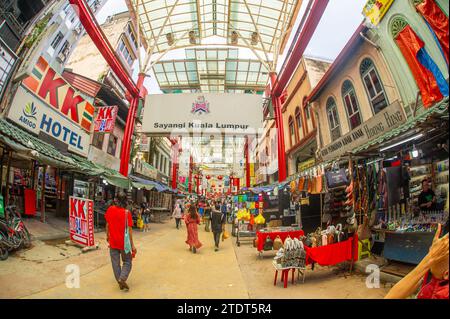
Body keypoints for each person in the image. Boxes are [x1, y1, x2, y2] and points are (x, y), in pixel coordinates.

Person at [385, 223, 449, 299]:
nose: (433, 250)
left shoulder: (444, 294)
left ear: (447, 274)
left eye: (439, 253)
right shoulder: (429, 275)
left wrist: (429, 258)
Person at [105, 192, 137, 291]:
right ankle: (122, 278)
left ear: (116, 199)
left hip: (113, 242)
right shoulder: (127, 213)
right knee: (127, 261)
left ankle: (120, 280)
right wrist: (132, 245)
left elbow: (107, 225)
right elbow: (130, 230)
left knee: (115, 263)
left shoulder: (110, 209)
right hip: (124, 243)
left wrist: (107, 236)